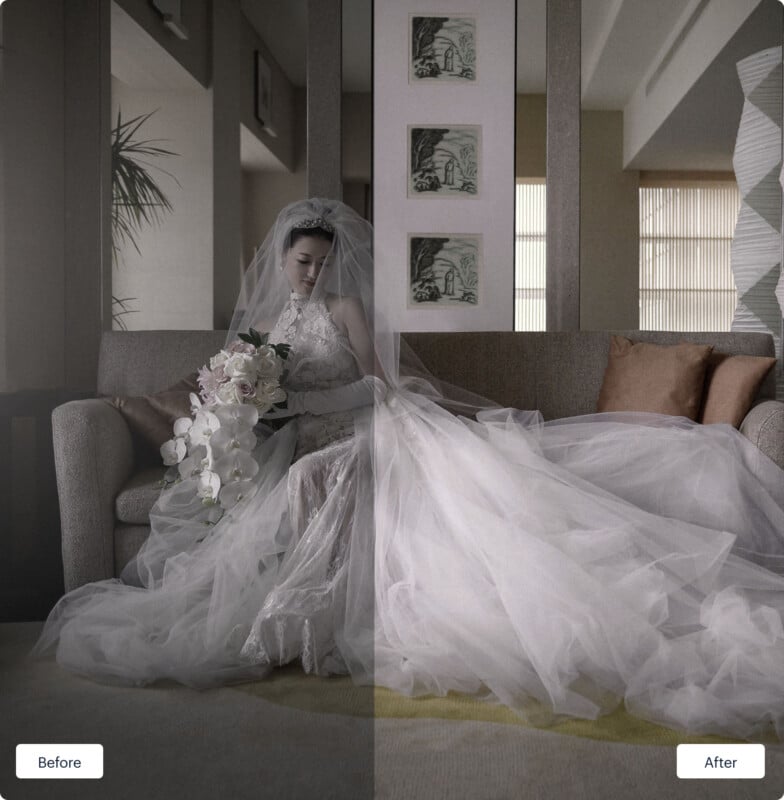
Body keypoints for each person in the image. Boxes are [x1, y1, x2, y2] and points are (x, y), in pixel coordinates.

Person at [34, 198, 784, 740]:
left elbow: (378, 386)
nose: (311, 274)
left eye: (322, 264)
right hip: (296, 438)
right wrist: (251, 403)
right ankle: (295, 627)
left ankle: (310, 631)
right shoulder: (263, 324)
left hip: (364, 426)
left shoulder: (348, 308)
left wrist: (302, 395)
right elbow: (242, 386)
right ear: (282, 258)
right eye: (302, 261)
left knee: (319, 481)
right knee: (287, 483)